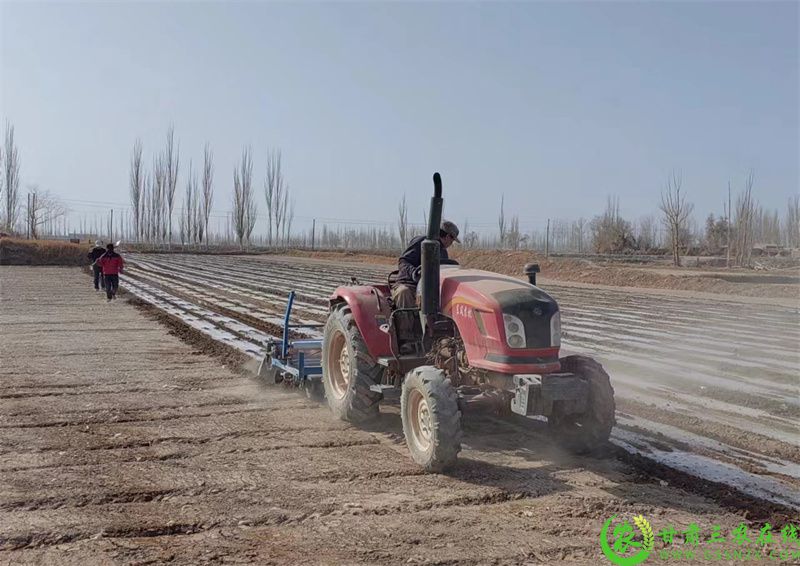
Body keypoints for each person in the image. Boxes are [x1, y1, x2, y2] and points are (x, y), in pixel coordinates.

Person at [391, 220, 459, 309]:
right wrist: (414, 273)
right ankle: (406, 322)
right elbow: (403, 261)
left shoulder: (443, 252)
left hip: (428, 288)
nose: (451, 243)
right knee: (404, 292)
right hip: (408, 284)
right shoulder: (421, 242)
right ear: (447, 236)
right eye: (452, 240)